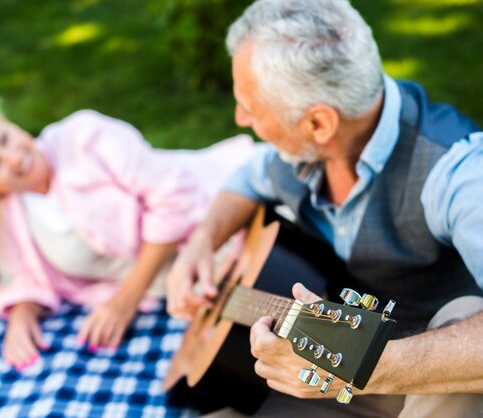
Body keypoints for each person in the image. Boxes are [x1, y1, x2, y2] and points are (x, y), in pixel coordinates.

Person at [166, 0, 483, 417]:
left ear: (319, 123)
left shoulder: (459, 173)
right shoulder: (300, 152)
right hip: (344, 367)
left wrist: (364, 368)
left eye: (251, 106)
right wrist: (202, 242)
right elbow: (245, 179)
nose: (240, 118)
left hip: (443, 382)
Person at [0, 104, 255, 371]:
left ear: (4, 122)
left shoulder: (85, 137)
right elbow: (33, 272)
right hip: (205, 289)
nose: (14, 157)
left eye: (4, 138)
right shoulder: (9, 215)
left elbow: (174, 200)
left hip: (236, 220)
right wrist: (23, 312)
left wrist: (123, 301)